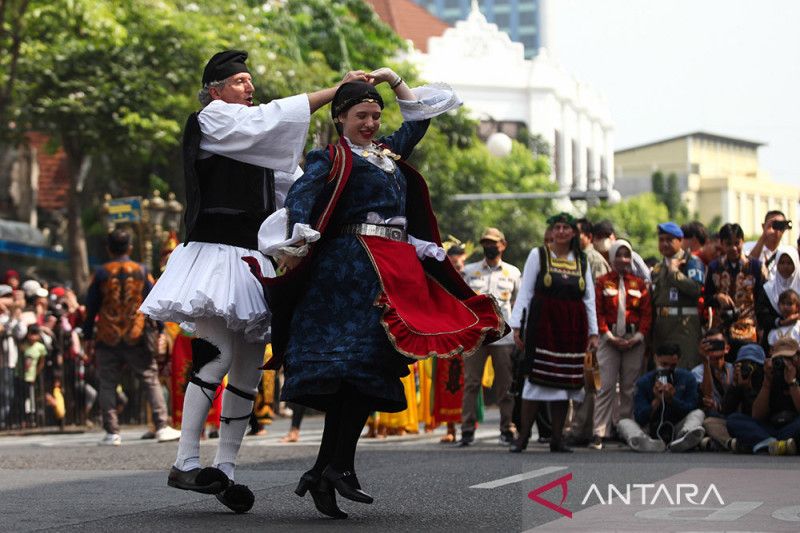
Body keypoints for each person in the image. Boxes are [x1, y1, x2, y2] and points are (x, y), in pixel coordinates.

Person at [255, 74, 504, 518]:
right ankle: (333, 469)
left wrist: (395, 80)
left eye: (375, 115)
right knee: (354, 372)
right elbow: (302, 197)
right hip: (348, 272)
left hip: (393, 271)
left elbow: (420, 119)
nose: (370, 123)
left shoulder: (387, 154)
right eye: (360, 116)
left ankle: (327, 470)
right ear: (340, 118)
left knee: (370, 374)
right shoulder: (329, 156)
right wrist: (296, 238)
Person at [139, 50, 369, 513]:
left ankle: (225, 469)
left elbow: (299, 193)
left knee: (247, 365)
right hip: (215, 254)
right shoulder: (213, 121)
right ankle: (185, 460)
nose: (249, 88)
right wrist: (335, 93)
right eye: (240, 81)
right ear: (215, 90)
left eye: (249, 81)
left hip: (251, 259)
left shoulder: (266, 148)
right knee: (219, 353)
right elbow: (267, 121)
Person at [509, 212, 598, 453]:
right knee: (534, 380)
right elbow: (526, 292)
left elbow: (588, 297)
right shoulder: (538, 255)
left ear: (573, 232)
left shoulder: (581, 260)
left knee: (565, 384)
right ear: (552, 231)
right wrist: (517, 325)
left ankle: (557, 438)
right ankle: (524, 436)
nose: (561, 231)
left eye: (566, 228)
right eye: (557, 227)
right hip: (542, 325)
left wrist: (594, 332)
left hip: (572, 327)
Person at [83, 229, 180, 445]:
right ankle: (162, 426)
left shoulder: (100, 273)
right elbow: (155, 300)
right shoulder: (141, 270)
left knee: (107, 383)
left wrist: (88, 336)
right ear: (130, 248)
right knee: (149, 379)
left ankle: (112, 432)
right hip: (136, 335)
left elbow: (91, 308)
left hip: (107, 336)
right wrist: (161, 330)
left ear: (109, 249)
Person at [459, 228, 521, 446]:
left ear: (503, 245)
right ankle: (467, 431)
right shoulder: (469, 271)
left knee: (505, 385)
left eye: (493, 242)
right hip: (475, 335)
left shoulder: (513, 273)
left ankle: (507, 429)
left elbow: (519, 304)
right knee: (471, 383)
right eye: (485, 242)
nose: (489, 246)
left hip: (503, 337)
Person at [591, 240, 651, 450]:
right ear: (611, 257)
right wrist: (608, 335)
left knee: (629, 388)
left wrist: (639, 337)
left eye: (627, 255)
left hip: (634, 341)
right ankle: (600, 432)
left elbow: (646, 314)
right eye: (619, 255)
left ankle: (626, 430)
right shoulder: (601, 282)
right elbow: (597, 311)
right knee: (605, 386)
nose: (623, 259)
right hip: (609, 340)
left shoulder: (639, 284)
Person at [617, 344, 705, 452]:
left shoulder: (687, 378)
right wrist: (657, 400)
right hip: (651, 428)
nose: (668, 369)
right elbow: (640, 417)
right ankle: (644, 442)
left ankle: (685, 436)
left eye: (672, 366)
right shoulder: (644, 381)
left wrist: (672, 400)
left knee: (698, 413)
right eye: (664, 365)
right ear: (656, 359)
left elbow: (691, 408)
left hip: (677, 426)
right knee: (624, 422)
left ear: (678, 361)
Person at [726, 337, 800, 455]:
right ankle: (776, 444)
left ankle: (762, 444)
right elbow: (757, 416)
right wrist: (767, 382)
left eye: (788, 358)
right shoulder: (766, 374)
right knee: (734, 420)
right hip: (771, 427)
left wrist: (792, 382)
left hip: (793, 426)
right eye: (780, 359)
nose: (784, 363)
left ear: (797, 358)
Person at [703, 223, 764, 356]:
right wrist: (717, 297)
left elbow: (761, 299)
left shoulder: (755, 267)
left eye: (737, 243)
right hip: (722, 329)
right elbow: (706, 298)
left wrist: (761, 328)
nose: (734, 248)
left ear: (743, 242)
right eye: (729, 243)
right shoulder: (714, 267)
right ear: (722, 243)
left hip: (748, 329)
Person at [650, 222, 705, 369]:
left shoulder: (691, 261)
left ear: (680, 241)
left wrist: (675, 273)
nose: (664, 243)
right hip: (661, 326)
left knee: (685, 369)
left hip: (683, 326)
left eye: (669, 239)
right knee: (662, 372)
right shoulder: (657, 268)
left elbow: (695, 289)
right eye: (661, 240)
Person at [701, 343, 765, 452]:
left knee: (735, 420)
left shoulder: (767, 379)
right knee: (711, 421)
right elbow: (726, 411)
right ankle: (733, 443)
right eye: (744, 364)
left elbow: (759, 414)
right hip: (743, 425)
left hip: (763, 424)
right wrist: (735, 385)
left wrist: (750, 388)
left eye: (752, 364)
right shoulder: (739, 382)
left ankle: (720, 443)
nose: (748, 369)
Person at [691, 329, 734, 451]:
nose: (714, 347)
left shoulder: (734, 368)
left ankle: (712, 443)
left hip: (731, 416)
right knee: (708, 422)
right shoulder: (697, 372)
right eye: (710, 344)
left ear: (727, 348)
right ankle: (732, 443)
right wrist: (706, 362)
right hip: (713, 418)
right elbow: (707, 395)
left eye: (718, 344)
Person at [756, 247, 800, 350]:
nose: (785, 267)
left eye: (789, 263)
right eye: (782, 263)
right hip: (773, 343)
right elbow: (761, 315)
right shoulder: (768, 289)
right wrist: (779, 322)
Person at [745, 211, 792, 280]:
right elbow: (748, 266)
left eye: (780, 226)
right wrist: (764, 235)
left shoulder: (787, 251)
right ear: (763, 226)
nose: (777, 230)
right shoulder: (748, 247)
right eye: (774, 225)